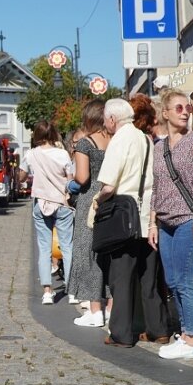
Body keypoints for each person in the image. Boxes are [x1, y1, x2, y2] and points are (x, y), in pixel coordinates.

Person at [95, 98, 169, 348]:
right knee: (149, 276)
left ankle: (121, 333)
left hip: (124, 216)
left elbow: (109, 185)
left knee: (122, 276)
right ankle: (158, 329)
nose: (105, 124)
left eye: (105, 119)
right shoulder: (145, 139)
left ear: (113, 119)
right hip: (148, 214)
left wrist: (97, 201)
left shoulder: (120, 140)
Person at [148, 90, 193, 360]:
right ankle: (184, 335)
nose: (185, 111)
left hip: (188, 220)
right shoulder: (158, 147)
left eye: (187, 107)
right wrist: (152, 223)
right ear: (165, 113)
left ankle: (191, 340)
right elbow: (156, 188)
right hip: (165, 223)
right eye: (178, 108)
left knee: (187, 281)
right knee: (172, 281)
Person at [66, 100, 112, 327]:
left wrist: (70, 185)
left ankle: (95, 310)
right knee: (109, 254)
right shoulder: (115, 141)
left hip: (90, 200)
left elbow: (82, 177)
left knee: (88, 252)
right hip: (112, 198)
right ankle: (112, 309)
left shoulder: (85, 143)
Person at [18, 121, 74, 305]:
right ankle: (72, 289)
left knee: (44, 248)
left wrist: (24, 177)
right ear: (54, 135)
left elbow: (22, 176)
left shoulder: (31, 154)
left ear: (36, 136)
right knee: (67, 246)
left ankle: (47, 292)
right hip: (61, 203)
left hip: (41, 203)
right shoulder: (63, 154)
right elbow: (70, 179)